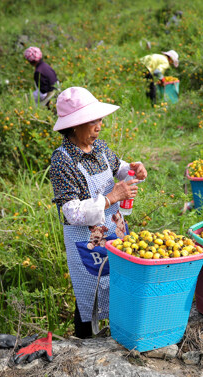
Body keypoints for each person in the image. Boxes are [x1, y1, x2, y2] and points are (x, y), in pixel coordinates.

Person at [49, 87, 148, 338]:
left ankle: (119, 334)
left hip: (115, 231)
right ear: (74, 126)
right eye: (92, 121)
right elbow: (71, 212)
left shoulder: (100, 148)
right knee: (89, 295)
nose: (99, 126)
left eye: (100, 120)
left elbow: (119, 168)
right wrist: (111, 198)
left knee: (120, 282)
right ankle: (83, 345)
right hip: (86, 242)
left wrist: (134, 170)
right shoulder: (63, 161)